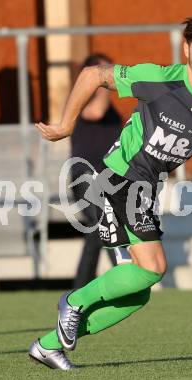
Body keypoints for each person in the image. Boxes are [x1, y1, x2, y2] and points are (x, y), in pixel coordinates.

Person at [30, 14, 192, 370]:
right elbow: (92, 75)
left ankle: (48, 346)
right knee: (154, 267)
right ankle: (74, 301)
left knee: (138, 294)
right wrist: (66, 124)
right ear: (186, 50)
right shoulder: (161, 80)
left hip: (146, 188)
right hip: (119, 178)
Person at [70, 54, 122, 288]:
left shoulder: (114, 113)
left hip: (109, 179)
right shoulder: (81, 102)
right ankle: (124, 279)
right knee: (103, 226)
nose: (106, 75)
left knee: (96, 233)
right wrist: (100, 82)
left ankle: (78, 294)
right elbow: (96, 112)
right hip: (85, 177)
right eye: (100, 71)